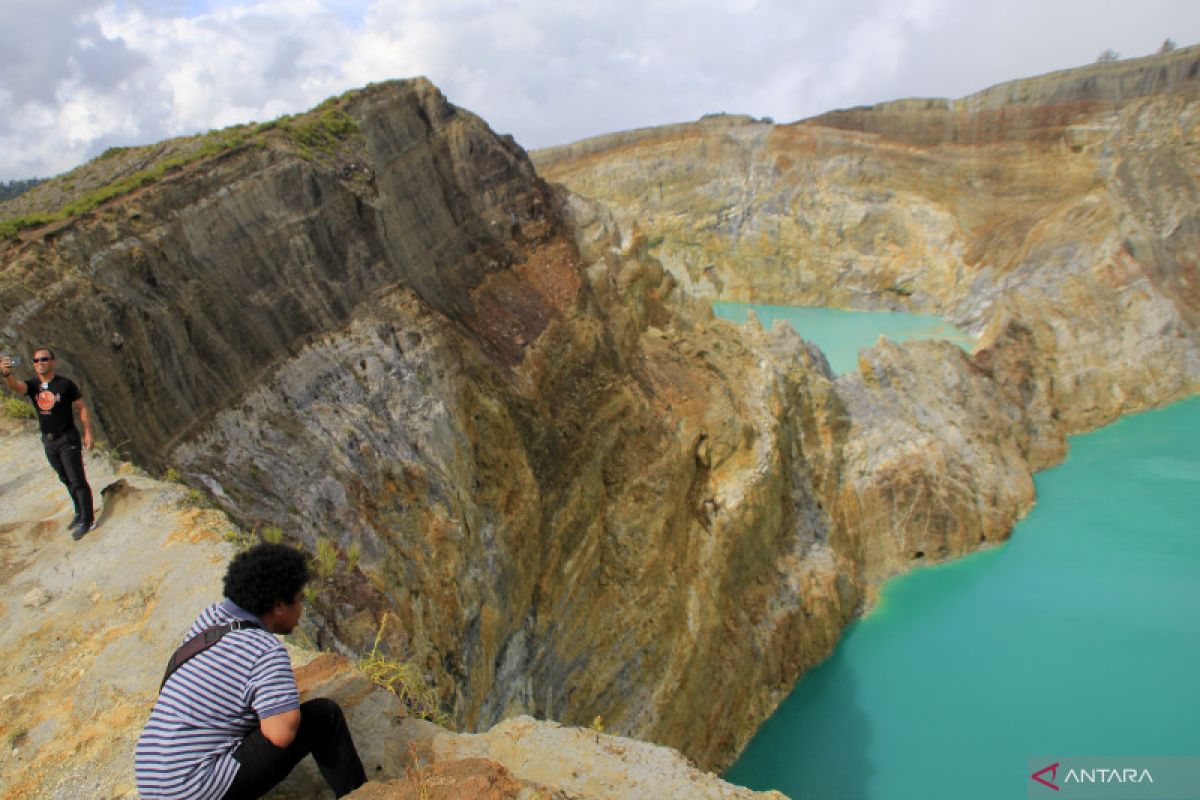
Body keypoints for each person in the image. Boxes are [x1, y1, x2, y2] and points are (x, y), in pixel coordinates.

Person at [135, 543, 367, 800]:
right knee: (324, 716)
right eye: (299, 600)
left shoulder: (209, 619)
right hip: (192, 788)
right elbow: (280, 735)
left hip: (151, 777)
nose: (302, 610)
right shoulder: (265, 650)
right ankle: (362, 795)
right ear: (279, 606)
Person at [1, 348, 96, 538]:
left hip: (67, 437)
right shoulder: (33, 385)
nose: (40, 363)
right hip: (49, 440)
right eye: (36, 360)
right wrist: (7, 374)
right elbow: (16, 387)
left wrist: (88, 433)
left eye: (44, 359)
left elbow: (82, 407)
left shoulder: (65, 385)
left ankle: (88, 520)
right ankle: (79, 512)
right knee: (65, 478)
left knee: (77, 480)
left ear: (53, 362)